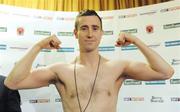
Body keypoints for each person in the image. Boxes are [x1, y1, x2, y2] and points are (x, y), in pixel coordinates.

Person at [4, 10, 174, 112]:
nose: (90, 34)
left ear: (101, 33)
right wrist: (39, 45)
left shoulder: (118, 67)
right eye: (84, 28)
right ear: (75, 33)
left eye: (95, 28)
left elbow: (165, 72)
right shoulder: (61, 70)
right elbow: (12, 83)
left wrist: (136, 40)